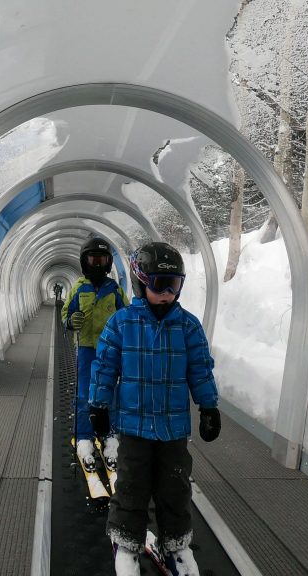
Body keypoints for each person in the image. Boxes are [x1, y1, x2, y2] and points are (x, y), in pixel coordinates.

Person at [88, 242, 222, 576]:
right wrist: (99, 405)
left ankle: (176, 545)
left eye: (174, 286)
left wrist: (208, 406)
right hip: (134, 427)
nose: (167, 294)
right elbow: (104, 367)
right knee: (132, 486)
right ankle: (127, 544)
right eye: (159, 286)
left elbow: (200, 369)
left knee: (175, 489)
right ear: (140, 282)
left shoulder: (188, 326)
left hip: (174, 429)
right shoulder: (121, 324)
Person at [61, 236, 128, 472]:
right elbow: (66, 313)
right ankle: (84, 437)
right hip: (87, 348)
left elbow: (126, 316)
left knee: (110, 391)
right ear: (84, 261)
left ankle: (110, 434)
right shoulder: (79, 289)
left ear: (108, 262)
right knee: (84, 391)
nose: (97, 265)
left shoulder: (115, 290)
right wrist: (71, 321)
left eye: (101, 260)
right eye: (93, 259)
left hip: (110, 350)